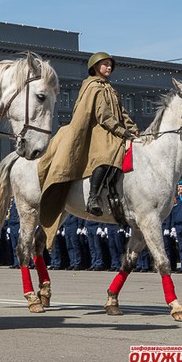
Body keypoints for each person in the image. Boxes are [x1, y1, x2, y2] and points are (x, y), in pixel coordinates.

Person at [36, 52, 138, 236]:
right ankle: (93, 198)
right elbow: (103, 116)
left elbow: (122, 114)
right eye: (105, 64)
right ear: (95, 67)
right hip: (98, 130)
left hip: (113, 131)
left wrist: (134, 130)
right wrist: (123, 132)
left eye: (110, 65)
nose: (108, 67)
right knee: (107, 155)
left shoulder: (111, 89)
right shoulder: (93, 87)